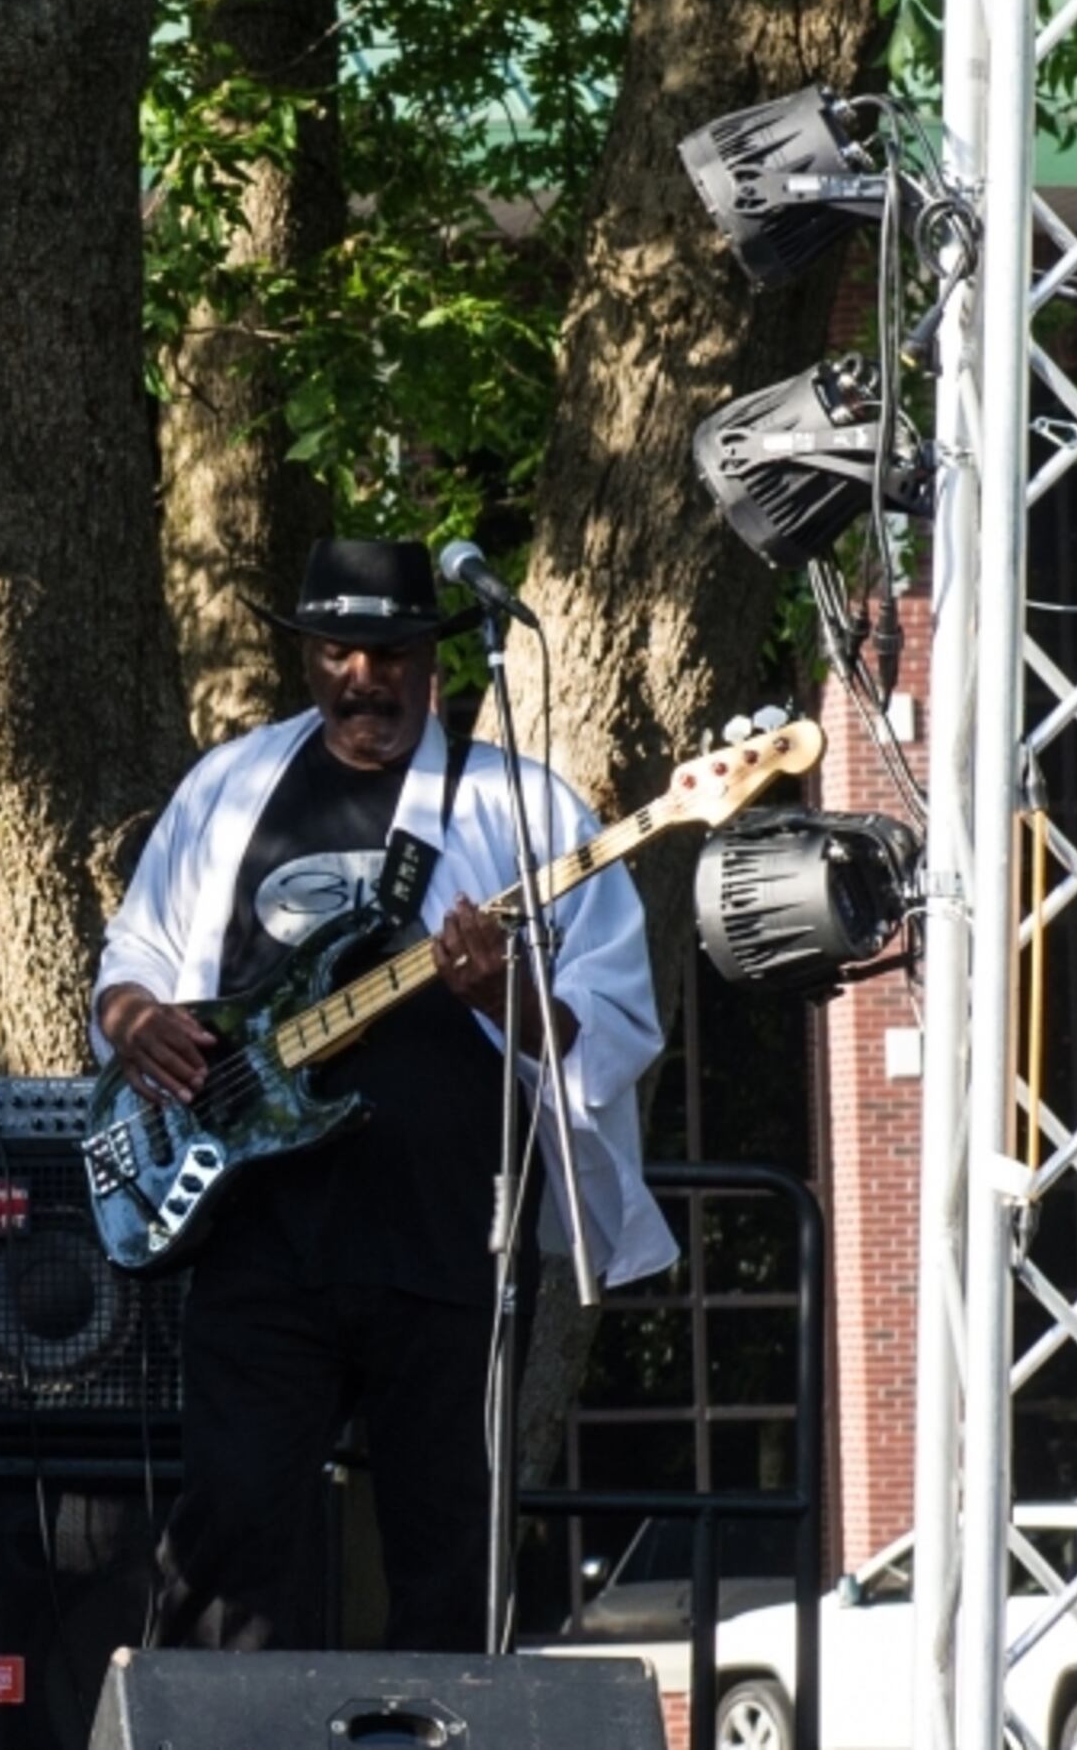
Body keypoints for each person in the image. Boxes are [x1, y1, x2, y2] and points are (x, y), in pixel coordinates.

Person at [93, 537, 674, 1655]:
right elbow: (136, 951)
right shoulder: (228, 788)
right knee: (233, 1537)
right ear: (307, 656)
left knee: (444, 1546)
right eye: (340, 652)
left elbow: (609, 1028)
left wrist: (506, 997)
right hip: (256, 1231)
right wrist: (130, 1018)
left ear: (434, 665)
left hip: (446, 1235)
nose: (364, 678)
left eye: (390, 654)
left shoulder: (524, 811)